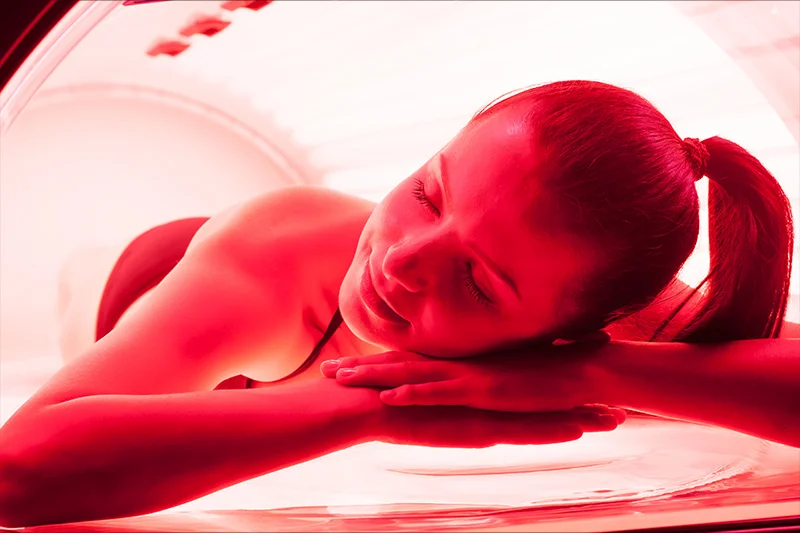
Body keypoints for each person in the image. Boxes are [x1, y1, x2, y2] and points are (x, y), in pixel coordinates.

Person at [0, 80, 796, 527]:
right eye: (427, 191)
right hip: (148, 276)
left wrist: (594, 369)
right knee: (80, 281)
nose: (403, 259)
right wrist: (385, 405)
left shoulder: (598, 293)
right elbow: (19, 470)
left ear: (567, 326)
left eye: (479, 280)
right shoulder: (280, 248)